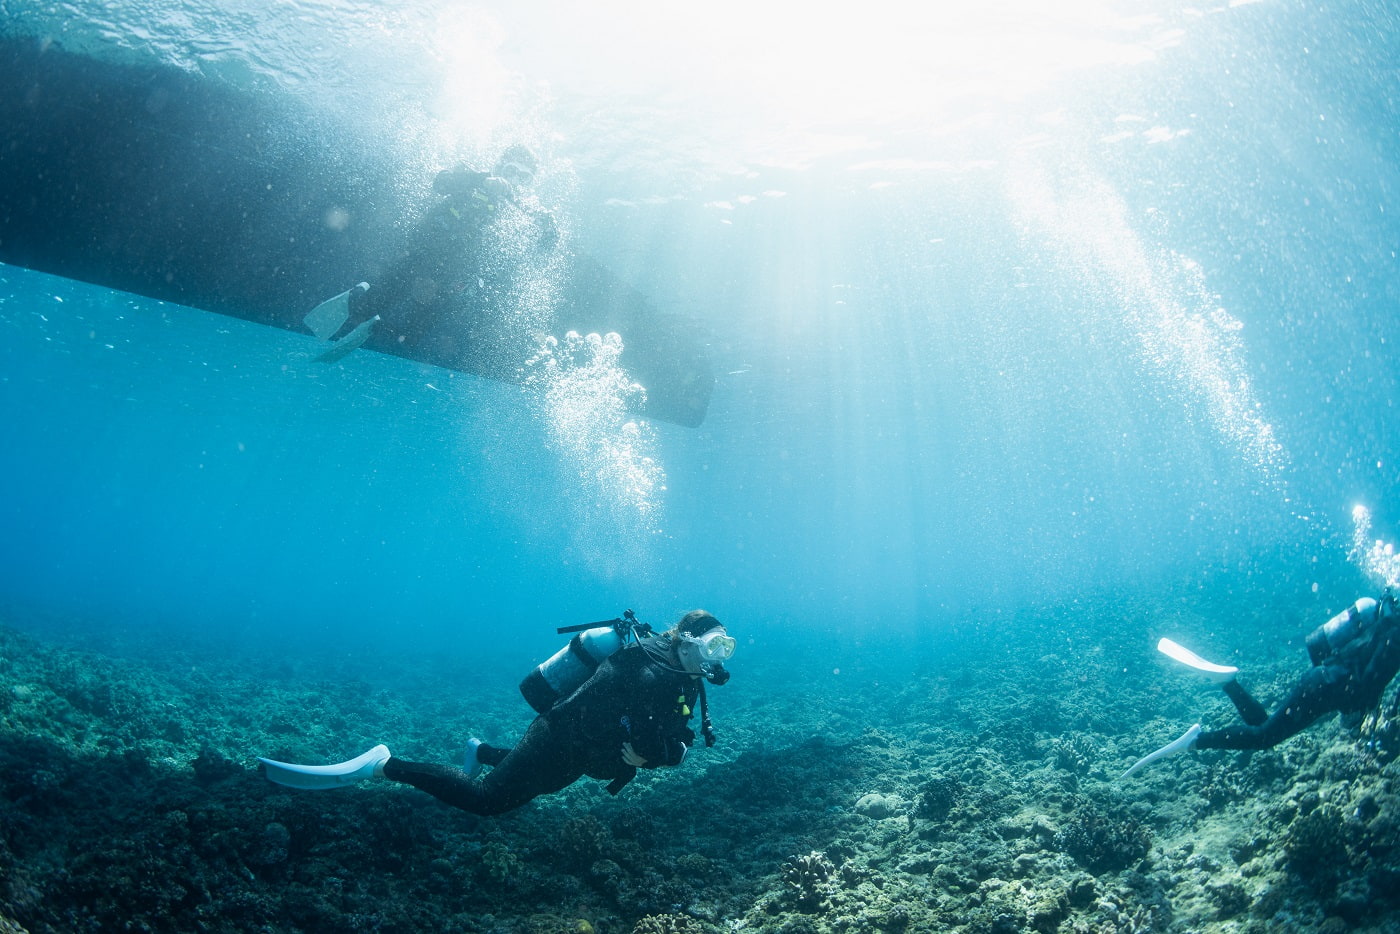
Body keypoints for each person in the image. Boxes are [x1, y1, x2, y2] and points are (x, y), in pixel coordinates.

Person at [259, 611, 735, 815]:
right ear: (685, 639)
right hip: (558, 735)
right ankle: (384, 764)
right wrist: (652, 749)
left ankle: (481, 750)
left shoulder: (684, 678)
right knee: (488, 800)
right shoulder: (646, 667)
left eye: (725, 648)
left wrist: (659, 751)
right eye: (713, 646)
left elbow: (681, 737)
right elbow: (643, 735)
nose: (717, 658)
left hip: (581, 753)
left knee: (530, 787)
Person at [303, 143, 557, 359]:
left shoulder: (522, 208)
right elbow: (441, 182)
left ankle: (375, 327)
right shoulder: (474, 178)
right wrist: (480, 180)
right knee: (364, 309)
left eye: (524, 177)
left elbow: (544, 251)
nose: (514, 180)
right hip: (421, 256)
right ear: (499, 167)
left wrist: (550, 230)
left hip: (453, 276)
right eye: (511, 171)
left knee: (411, 337)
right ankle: (361, 296)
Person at [1122, 592, 1400, 778]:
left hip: (1324, 680)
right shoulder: (1396, 635)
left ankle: (1228, 684)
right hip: (1327, 687)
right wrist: (1359, 704)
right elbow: (1370, 677)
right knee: (1264, 737)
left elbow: (1364, 664)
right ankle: (1197, 740)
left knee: (1264, 728)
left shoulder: (1390, 623)